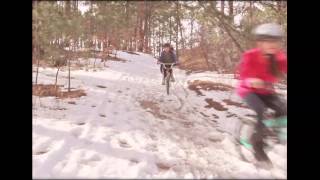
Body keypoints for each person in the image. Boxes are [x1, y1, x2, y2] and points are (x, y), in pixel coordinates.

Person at [236, 23, 287, 163]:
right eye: (268, 40)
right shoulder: (250, 56)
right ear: (259, 42)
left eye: (276, 41)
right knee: (261, 111)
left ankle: (275, 132)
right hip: (248, 90)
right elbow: (243, 76)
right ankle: (257, 146)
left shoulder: (280, 57)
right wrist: (251, 81)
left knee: (284, 108)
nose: (273, 44)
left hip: (267, 91)